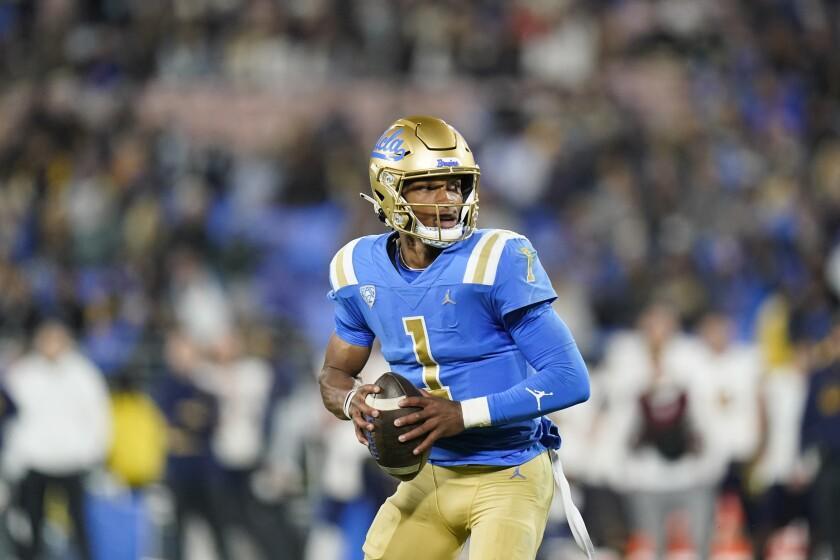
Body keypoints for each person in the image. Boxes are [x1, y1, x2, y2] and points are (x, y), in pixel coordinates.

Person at [318, 115, 593, 560]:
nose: (448, 200)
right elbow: (334, 373)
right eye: (428, 186)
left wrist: (462, 414)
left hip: (509, 471)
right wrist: (354, 404)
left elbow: (569, 378)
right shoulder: (358, 267)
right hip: (427, 476)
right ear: (391, 190)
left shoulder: (497, 257)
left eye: (457, 185)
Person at [4, 319, 112, 560]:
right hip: (34, 462)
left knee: (79, 525)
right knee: (31, 524)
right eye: (46, 338)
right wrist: (15, 458)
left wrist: (93, 453)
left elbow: (98, 415)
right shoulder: (23, 373)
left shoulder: (83, 373)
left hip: (72, 462)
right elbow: (12, 419)